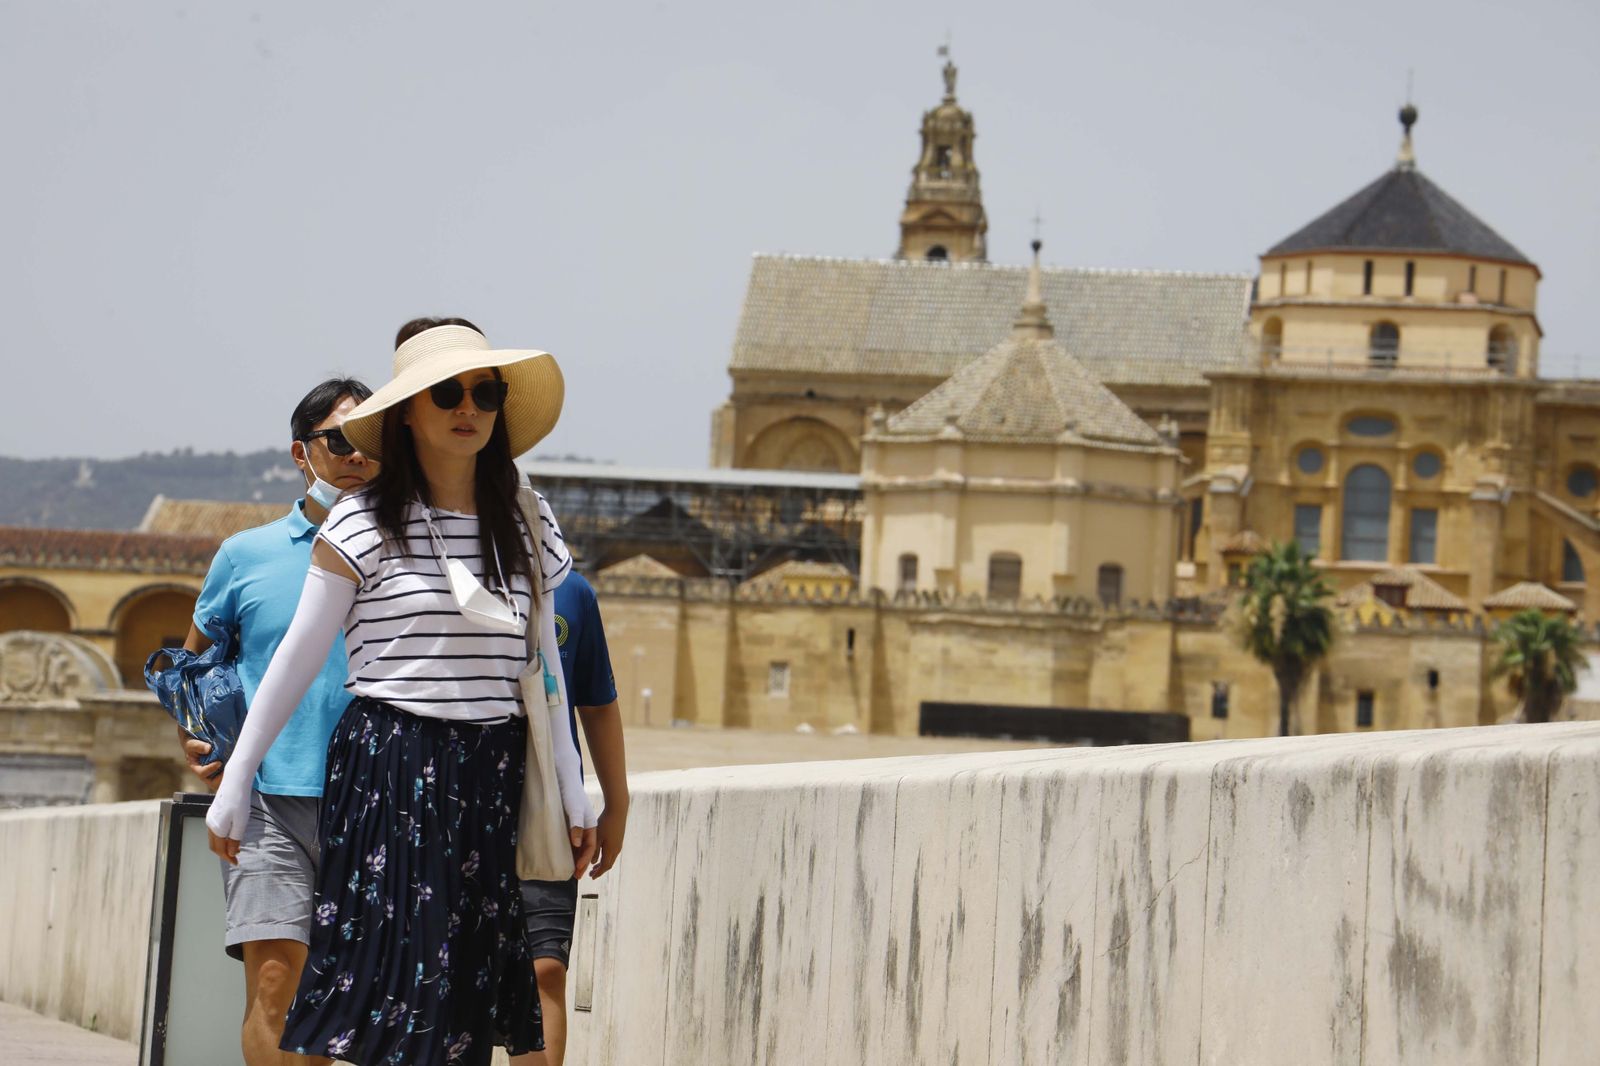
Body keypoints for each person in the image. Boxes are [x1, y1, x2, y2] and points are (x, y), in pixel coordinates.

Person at [205, 318, 596, 1066]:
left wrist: (574, 788)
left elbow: (544, 663)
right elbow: (296, 658)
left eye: (485, 393)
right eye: (447, 392)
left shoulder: (526, 515)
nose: (468, 407)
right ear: (408, 411)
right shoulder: (362, 519)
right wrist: (239, 776)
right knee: (401, 983)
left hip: (492, 768)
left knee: (464, 992)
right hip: (392, 762)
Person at [177, 377, 376, 1066]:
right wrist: (199, 740)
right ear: (301, 452)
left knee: (346, 996)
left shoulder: (406, 555)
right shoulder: (245, 555)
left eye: (372, 440)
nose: (358, 455)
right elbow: (192, 664)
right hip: (267, 800)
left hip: (374, 800)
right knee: (274, 984)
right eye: (340, 440)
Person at [510, 570, 629, 1066]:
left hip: (552, 815)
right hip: (457, 803)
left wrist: (617, 803)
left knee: (545, 969)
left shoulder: (572, 591)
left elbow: (597, 704)